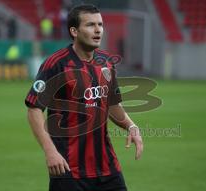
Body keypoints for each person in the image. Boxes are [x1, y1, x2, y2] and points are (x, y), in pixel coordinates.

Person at [25, 4, 143, 191]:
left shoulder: (106, 62)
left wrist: (131, 125)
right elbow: (34, 109)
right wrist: (50, 151)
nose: (98, 30)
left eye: (100, 24)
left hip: (107, 169)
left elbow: (112, 104)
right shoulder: (57, 64)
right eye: (90, 25)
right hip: (68, 170)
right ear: (74, 31)